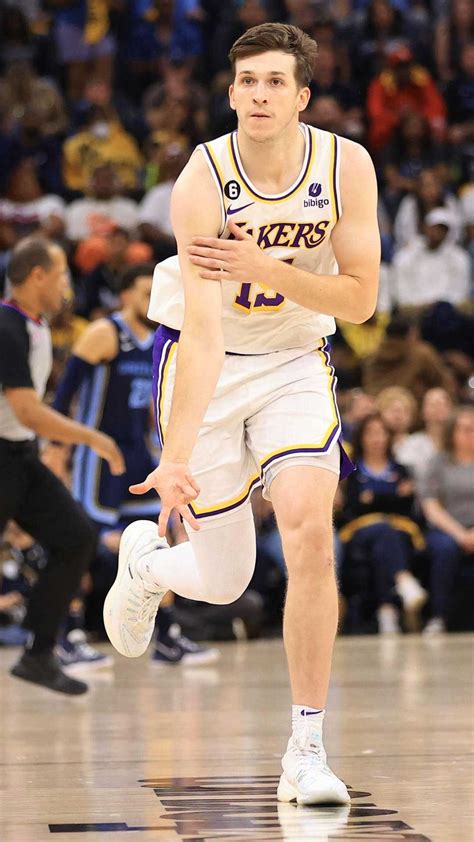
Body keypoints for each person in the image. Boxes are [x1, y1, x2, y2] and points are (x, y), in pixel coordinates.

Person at [104, 22, 380, 806]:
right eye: (247, 81)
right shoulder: (202, 180)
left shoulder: (346, 165)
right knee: (227, 581)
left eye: (274, 82)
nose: (259, 94)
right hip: (210, 361)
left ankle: (306, 749)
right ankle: (147, 566)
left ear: (302, 96)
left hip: (294, 358)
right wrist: (174, 457)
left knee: (310, 534)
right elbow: (204, 334)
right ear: (230, 94)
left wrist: (265, 267)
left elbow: (361, 300)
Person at [0, 236, 124, 695]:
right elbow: (28, 410)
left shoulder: (33, 326)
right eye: (62, 275)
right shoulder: (6, 326)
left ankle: (38, 654)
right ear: (37, 276)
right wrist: (93, 438)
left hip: (19, 456)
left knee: (75, 538)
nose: (66, 286)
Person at [338, 413, 427, 634]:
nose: (376, 439)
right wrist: (392, 496)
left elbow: (407, 506)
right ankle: (403, 581)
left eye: (381, 433)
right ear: (361, 438)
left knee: (384, 543)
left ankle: (387, 612)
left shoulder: (401, 468)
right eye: (371, 433)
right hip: (359, 532)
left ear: (389, 437)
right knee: (383, 531)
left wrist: (373, 498)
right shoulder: (351, 470)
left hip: (397, 531)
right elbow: (352, 507)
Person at [419, 406, 474, 634]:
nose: (470, 434)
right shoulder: (438, 462)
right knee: (446, 549)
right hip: (447, 528)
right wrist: (461, 535)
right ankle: (438, 616)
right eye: (465, 429)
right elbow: (431, 505)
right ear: (452, 432)